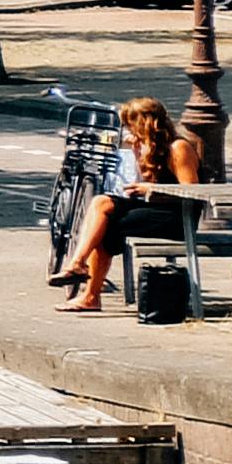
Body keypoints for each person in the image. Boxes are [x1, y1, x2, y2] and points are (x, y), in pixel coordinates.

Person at [56, 99, 166, 309]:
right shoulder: (149, 147)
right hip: (154, 205)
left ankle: (89, 291)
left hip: (175, 214)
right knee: (101, 205)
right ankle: (80, 271)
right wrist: (138, 154)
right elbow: (150, 178)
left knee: (105, 221)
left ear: (146, 123)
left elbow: (191, 192)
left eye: (132, 125)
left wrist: (150, 190)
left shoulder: (178, 147)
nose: (130, 131)